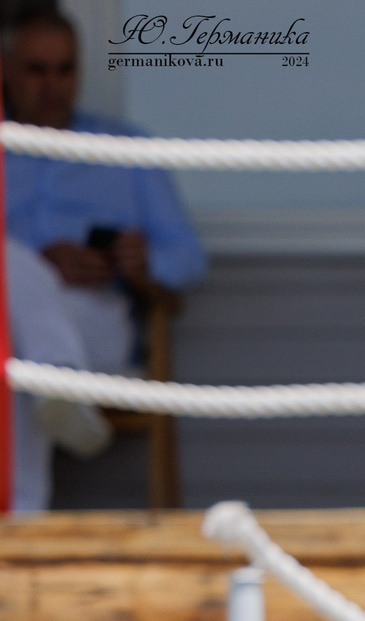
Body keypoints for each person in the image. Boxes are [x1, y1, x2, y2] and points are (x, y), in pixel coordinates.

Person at [1, 10, 208, 376]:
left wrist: (141, 263)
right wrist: (40, 262)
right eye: (37, 70)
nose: (52, 85)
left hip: (94, 313)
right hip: (8, 316)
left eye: (65, 70)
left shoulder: (125, 149)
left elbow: (188, 256)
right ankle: (60, 394)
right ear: (6, 70)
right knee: (10, 261)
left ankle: (58, 383)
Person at [6, 235, 113, 511]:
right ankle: (60, 376)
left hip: (90, 314)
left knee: (12, 265)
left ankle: (57, 381)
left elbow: (183, 263)